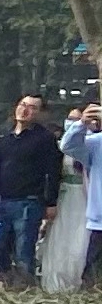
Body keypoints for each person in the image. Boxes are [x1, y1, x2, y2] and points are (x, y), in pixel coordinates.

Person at [0, 93, 63, 284]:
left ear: (40, 113)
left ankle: (25, 291)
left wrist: (51, 202)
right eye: (22, 104)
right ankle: (8, 276)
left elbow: (53, 171)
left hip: (28, 202)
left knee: (24, 252)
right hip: (2, 201)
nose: (25, 109)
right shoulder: (5, 137)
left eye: (32, 107)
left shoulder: (44, 139)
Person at [52, 103, 101, 293]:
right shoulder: (96, 143)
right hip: (99, 223)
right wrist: (82, 123)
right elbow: (68, 145)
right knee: (92, 278)